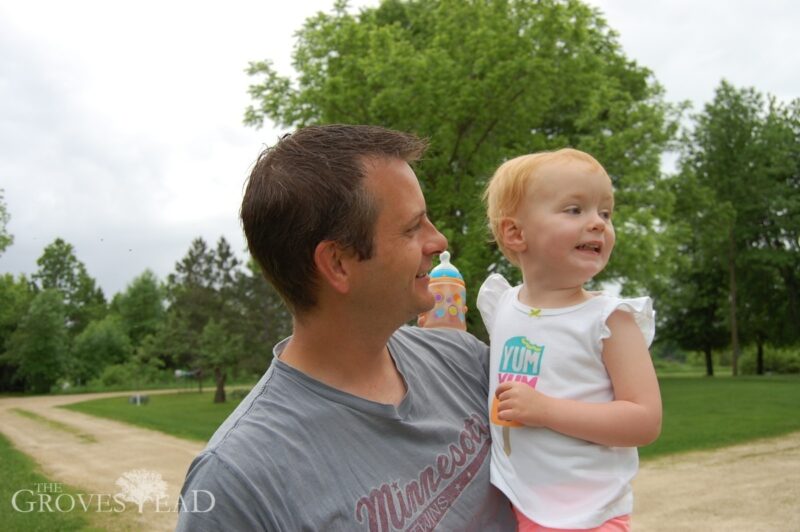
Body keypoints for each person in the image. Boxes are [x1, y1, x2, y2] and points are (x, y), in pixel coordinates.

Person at [176, 124, 515, 531]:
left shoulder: (461, 359)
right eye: (412, 227)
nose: (438, 240)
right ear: (337, 264)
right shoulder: (240, 483)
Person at [477, 149, 662, 532]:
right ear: (516, 233)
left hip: (587, 513)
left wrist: (545, 410)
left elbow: (644, 421)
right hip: (513, 501)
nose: (597, 223)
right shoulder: (502, 304)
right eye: (575, 210)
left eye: (605, 213)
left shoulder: (609, 321)